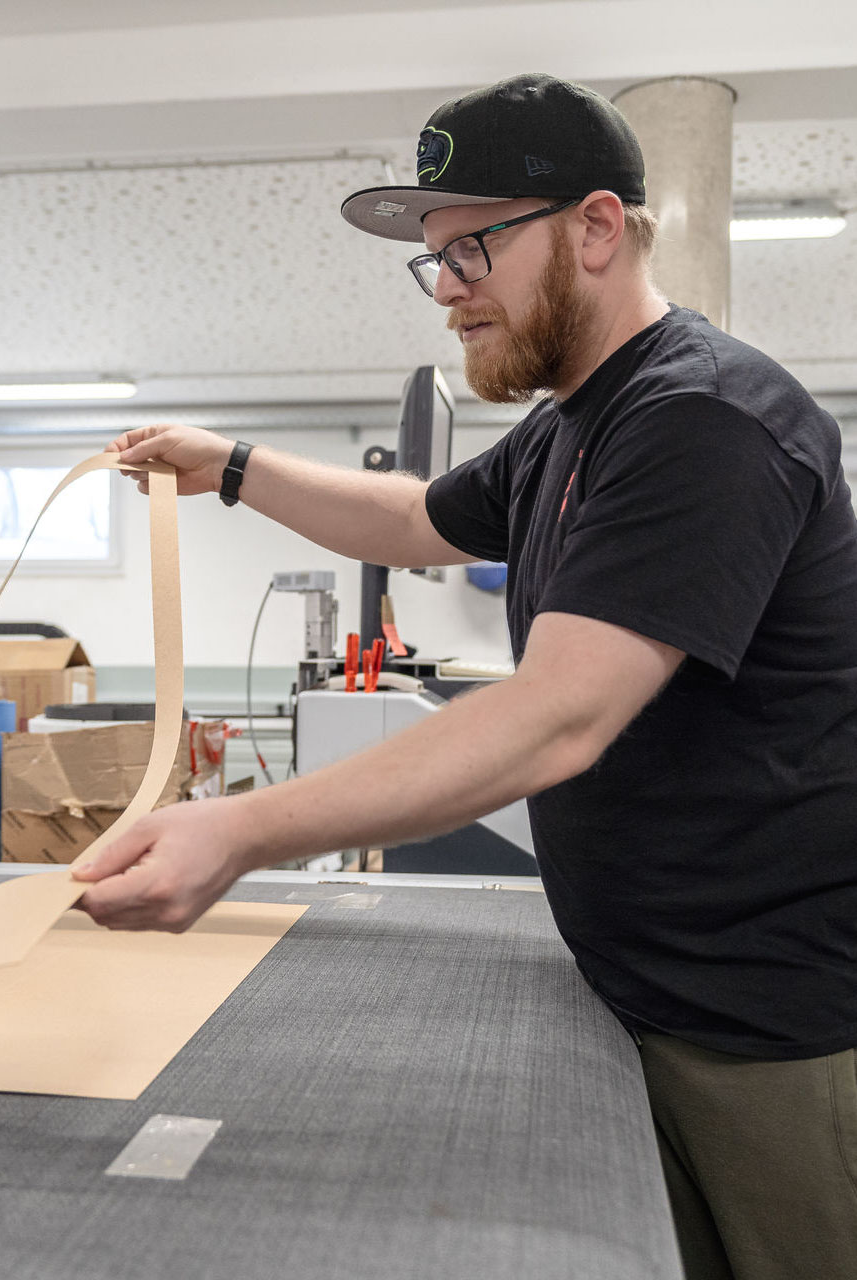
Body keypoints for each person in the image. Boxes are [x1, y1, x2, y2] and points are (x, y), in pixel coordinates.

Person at [73, 73, 857, 1280]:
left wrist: (235, 830)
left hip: (769, 1028)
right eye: (432, 259)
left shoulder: (703, 417)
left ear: (597, 227)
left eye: (473, 248)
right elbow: (415, 519)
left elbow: (557, 718)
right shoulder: (570, 425)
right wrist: (228, 466)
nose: (446, 291)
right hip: (644, 988)